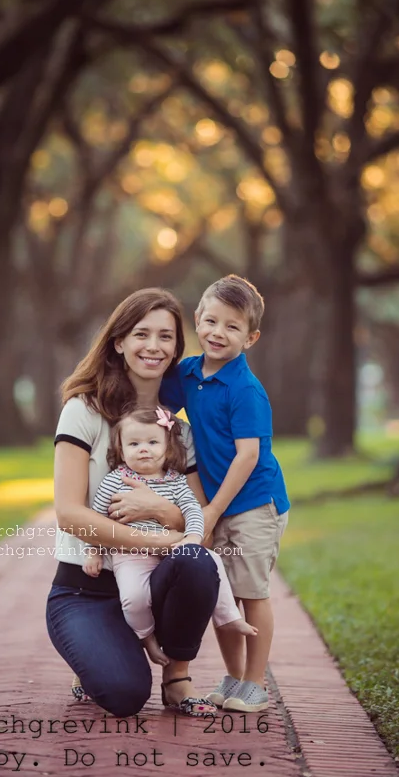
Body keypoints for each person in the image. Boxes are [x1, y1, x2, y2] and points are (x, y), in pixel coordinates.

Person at [46, 288, 221, 719]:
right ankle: (94, 653)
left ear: (177, 349)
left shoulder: (179, 430)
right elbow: (69, 514)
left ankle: (177, 677)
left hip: (151, 582)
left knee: (196, 563)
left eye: (166, 336)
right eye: (142, 334)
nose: (154, 346)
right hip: (85, 589)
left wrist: (159, 510)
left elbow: (202, 523)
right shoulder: (83, 410)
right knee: (124, 695)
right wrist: (162, 540)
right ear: (119, 342)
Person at [160, 274, 290, 714]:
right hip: (216, 503)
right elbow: (158, 410)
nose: (218, 333)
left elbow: (248, 456)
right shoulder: (187, 373)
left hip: (253, 504)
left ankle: (256, 683)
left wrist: (211, 511)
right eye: (211, 321)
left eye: (232, 327)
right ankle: (234, 676)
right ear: (197, 319)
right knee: (223, 594)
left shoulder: (245, 389)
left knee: (251, 593)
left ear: (250, 338)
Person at [83, 405, 257, 667]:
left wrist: (193, 537)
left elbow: (193, 510)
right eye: (134, 444)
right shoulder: (114, 481)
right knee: (133, 598)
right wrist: (93, 551)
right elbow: (97, 517)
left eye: (152, 442)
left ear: (168, 447)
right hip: (131, 555)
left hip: (170, 552)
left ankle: (228, 616)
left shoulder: (175, 481)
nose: (144, 449)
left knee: (212, 560)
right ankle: (147, 636)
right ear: (121, 449)